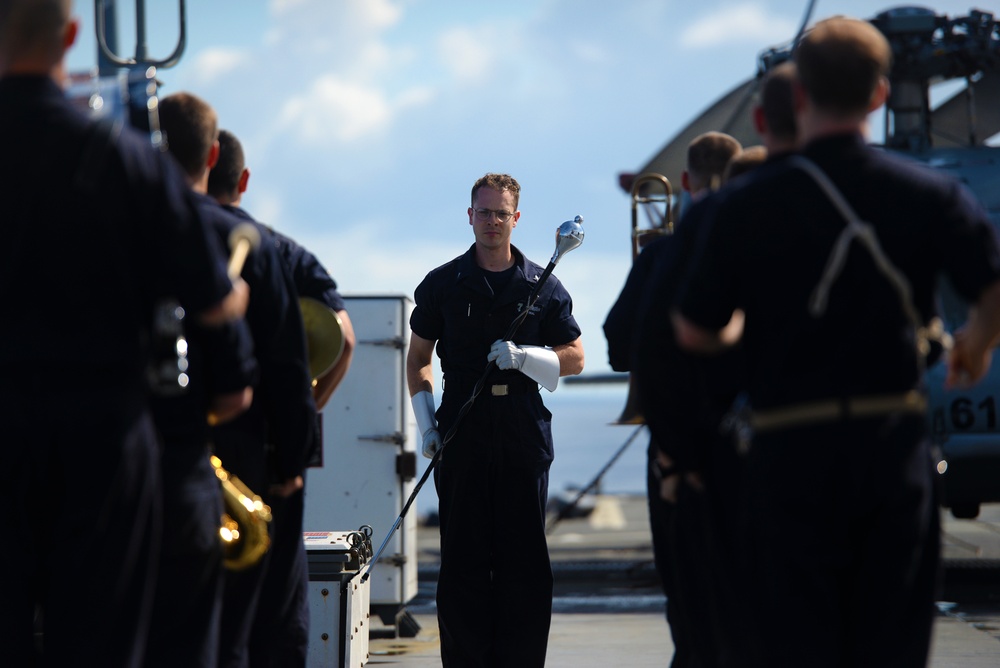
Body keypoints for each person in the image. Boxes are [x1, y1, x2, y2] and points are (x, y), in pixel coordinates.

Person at [672, 16, 1000, 667]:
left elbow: (694, 327)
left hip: (790, 456)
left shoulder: (743, 206)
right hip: (891, 452)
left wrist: (749, 327)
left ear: (797, 97)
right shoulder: (931, 194)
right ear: (879, 95)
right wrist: (973, 349)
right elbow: (991, 293)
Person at [0, 1, 247, 665]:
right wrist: (229, 389)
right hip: (103, 441)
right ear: (73, 37)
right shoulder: (125, 159)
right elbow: (213, 303)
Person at [158, 91, 318, 668]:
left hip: (123, 452)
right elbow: (287, 361)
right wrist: (292, 464)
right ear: (213, 156)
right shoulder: (244, 239)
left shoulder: (108, 228)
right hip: (239, 457)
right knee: (243, 631)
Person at [406, 173, 584, 667]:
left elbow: (575, 357)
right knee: (462, 564)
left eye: (501, 213)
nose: (491, 222)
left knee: (525, 566)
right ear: (470, 216)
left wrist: (526, 356)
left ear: (516, 218)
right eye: (483, 212)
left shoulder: (543, 285)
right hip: (461, 437)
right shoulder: (443, 283)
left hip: (522, 437)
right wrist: (426, 426)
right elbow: (418, 358)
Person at [208, 128, 357, 667]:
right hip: (275, 454)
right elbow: (345, 339)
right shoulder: (284, 250)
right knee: (278, 605)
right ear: (243, 180)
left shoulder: (168, 237)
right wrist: (305, 409)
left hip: (196, 444)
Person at [603, 131, 740, 668]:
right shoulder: (756, 239)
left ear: (685, 182)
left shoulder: (662, 251)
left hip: (673, 450)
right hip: (751, 441)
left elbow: (617, 344)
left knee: (685, 594)